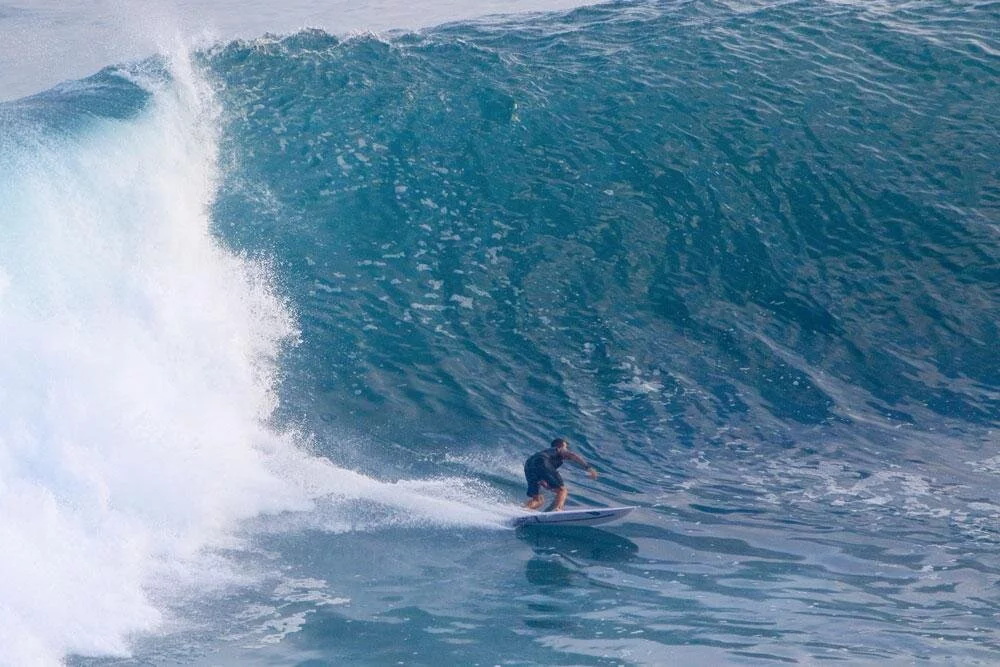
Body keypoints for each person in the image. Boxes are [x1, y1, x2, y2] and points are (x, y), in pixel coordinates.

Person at [523, 437, 598, 512]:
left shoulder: (548, 453)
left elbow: (542, 474)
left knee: (538, 500)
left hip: (528, 465)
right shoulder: (558, 449)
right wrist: (589, 468)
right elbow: (572, 455)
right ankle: (558, 509)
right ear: (561, 445)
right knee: (562, 490)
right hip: (542, 461)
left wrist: (545, 483)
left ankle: (521, 510)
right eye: (566, 447)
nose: (567, 449)